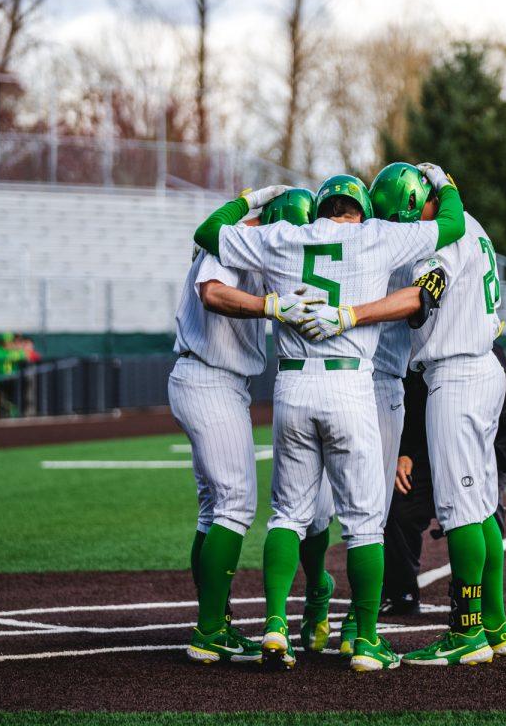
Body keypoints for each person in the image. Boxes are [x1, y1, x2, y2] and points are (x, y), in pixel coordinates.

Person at [193, 169, 466, 672]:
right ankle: (365, 639)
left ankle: (276, 624)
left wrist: (247, 200)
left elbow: (207, 232)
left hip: (293, 385)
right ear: (362, 207)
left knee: (287, 516)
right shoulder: (378, 235)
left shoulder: (283, 235)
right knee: (364, 525)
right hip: (351, 385)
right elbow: (451, 226)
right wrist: (443, 183)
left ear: (320, 206)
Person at [304, 161, 506, 667]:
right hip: (483, 369)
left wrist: (353, 314)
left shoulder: (435, 242)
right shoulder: (471, 224)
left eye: (404, 219)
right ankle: (496, 623)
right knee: (481, 506)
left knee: (461, 509)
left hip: (455, 374)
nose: (402, 231)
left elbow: (423, 296)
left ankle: (466, 632)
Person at [171, 187, 320, 666]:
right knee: (235, 504)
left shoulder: (241, 239)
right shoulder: (234, 240)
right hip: (209, 376)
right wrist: (271, 307)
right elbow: (212, 293)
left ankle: (215, 620)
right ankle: (210, 629)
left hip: (213, 377)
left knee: (214, 507)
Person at [381, 344, 506, 616]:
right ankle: (402, 593)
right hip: (426, 445)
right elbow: (412, 401)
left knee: (482, 512)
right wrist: (405, 450)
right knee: (399, 507)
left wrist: (492, 462)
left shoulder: (472, 349)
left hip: (484, 445)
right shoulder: (418, 347)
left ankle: (478, 608)